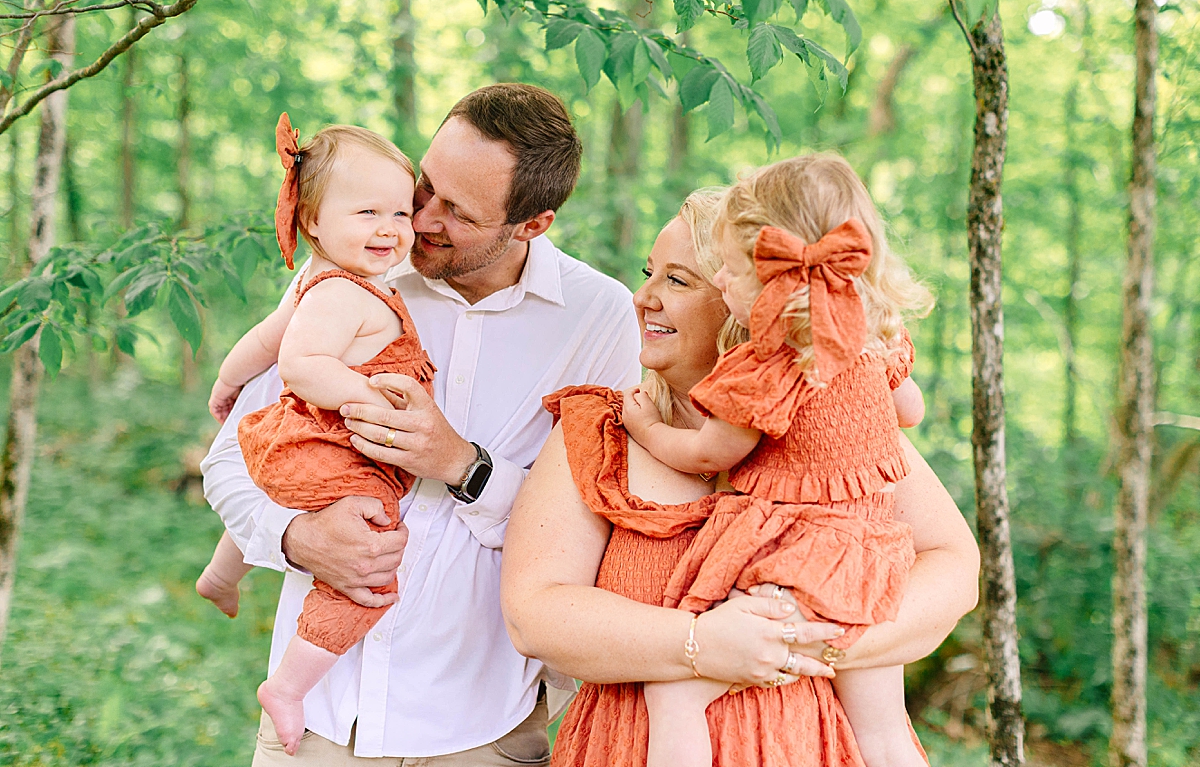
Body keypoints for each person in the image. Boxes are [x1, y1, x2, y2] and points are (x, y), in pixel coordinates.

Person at [201, 84, 644, 764]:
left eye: (456, 212)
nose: (419, 218)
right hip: (318, 722)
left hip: (477, 726)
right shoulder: (357, 267)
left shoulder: (597, 318)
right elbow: (231, 459)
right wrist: (295, 536)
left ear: (532, 225)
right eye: (424, 185)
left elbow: (595, 524)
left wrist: (463, 466)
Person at [500, 188, 981, 766]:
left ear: (747, 300)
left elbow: (955, 568)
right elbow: (535, 615)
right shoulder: (603, 430)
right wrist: (700, 646)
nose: (642, 297)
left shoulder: (834, 426)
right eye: (649, 273)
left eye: (678, 281)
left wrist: (806, 639)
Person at [621, 156, 932, 767]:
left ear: (778, 280)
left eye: (734, 274)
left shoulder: (768, 365)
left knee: (675, 694)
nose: (728, 287)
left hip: (803, 566)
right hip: (876, 557)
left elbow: (711, 451)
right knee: (884, 729)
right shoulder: (873, 340)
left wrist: (648, 428)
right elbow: (911, 409)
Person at [199, 114, 443, 754]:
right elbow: (299, 365)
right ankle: (288, 685)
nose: (390, 229)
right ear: (312, 221)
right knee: (367, 568)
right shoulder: (345, 295)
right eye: (366, 212)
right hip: (330, 447)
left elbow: (264, 340)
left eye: (400, 211)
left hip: (286, 444)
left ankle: (223, 573)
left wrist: (227, 384)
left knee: (286, 489)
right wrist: (370, 398)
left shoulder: (311, 284)